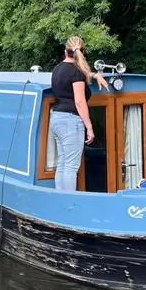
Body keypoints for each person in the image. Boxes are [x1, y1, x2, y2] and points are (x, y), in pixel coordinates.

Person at [49, 37, 109, 191]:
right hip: (71, 121)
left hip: (56, 118)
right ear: (82, 52)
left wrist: (95, 75)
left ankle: (61, 199)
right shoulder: (76, 72)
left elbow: (83, 74)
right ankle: (70, 203)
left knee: (63, 162)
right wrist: (89, 127)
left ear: (65, 52)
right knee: (71, 166)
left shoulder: (57, 69)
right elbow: (80, 101)